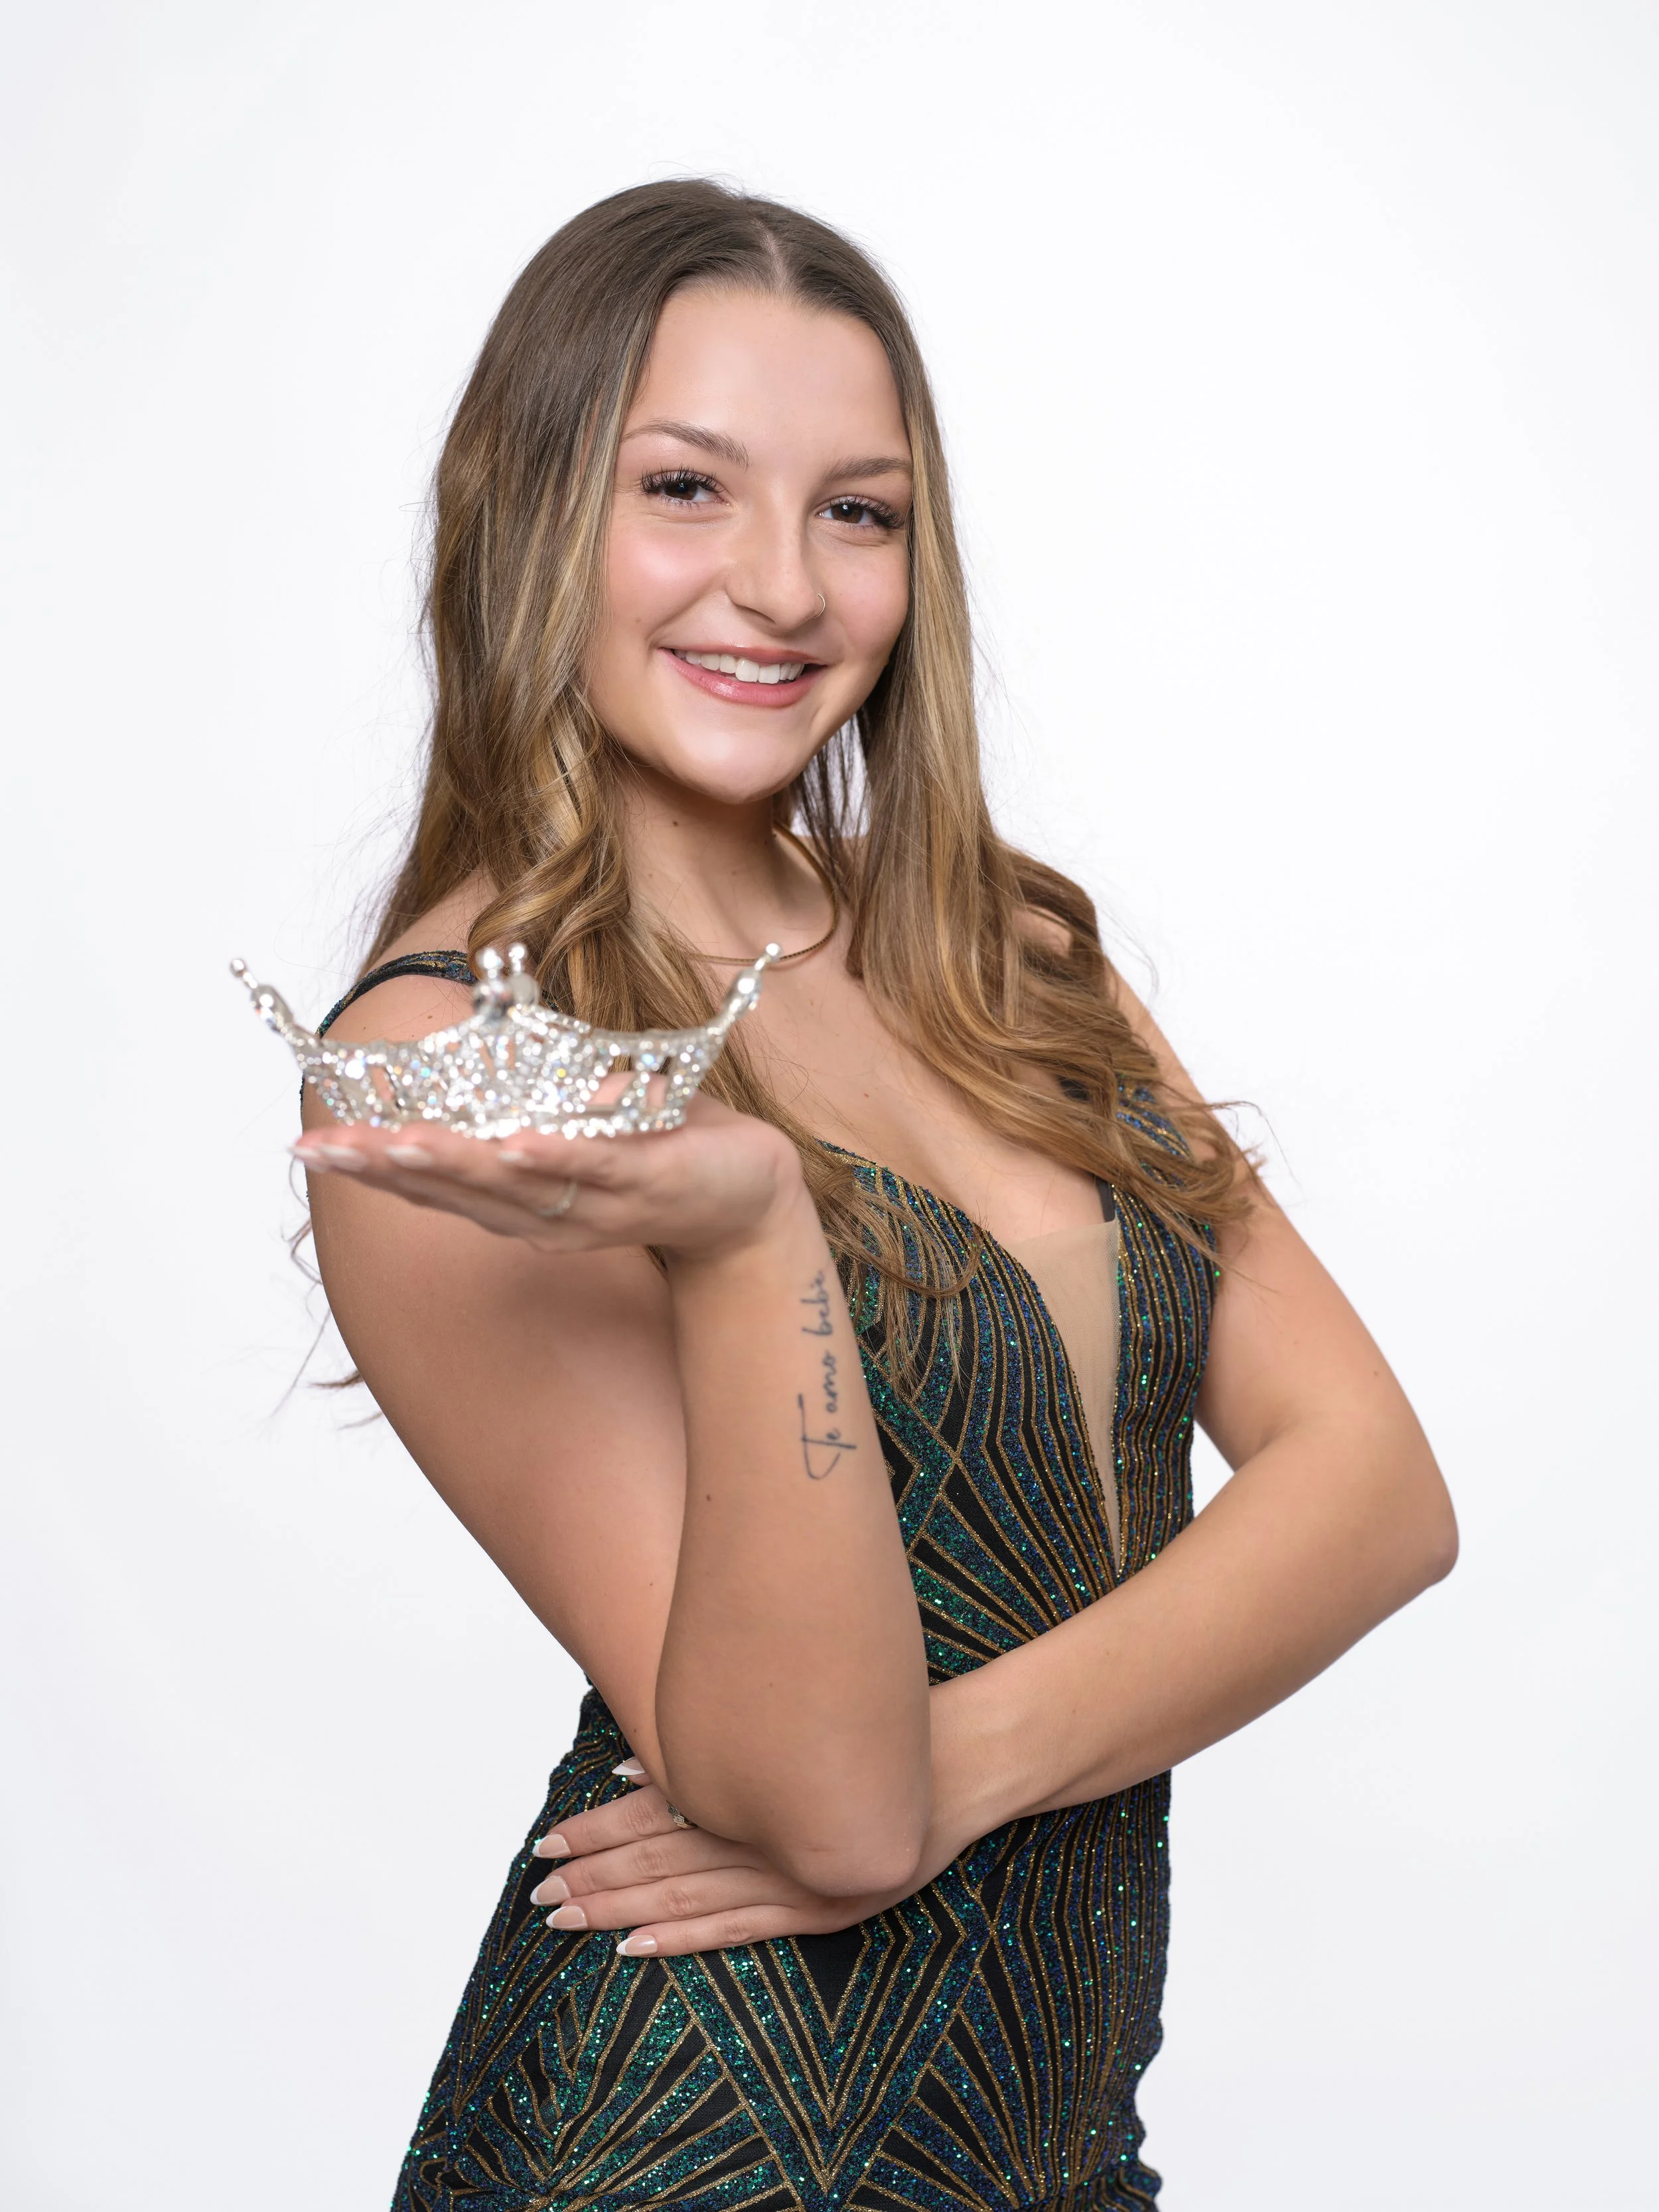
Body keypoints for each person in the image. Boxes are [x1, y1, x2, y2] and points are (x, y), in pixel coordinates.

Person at [292, 181, 1457, 2212]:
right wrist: (749, 1233)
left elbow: (1374, 1489)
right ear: (527, 511)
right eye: (684, 487)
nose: (779, 586)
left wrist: (963, 1764)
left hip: (1050, 2142)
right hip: (686, 2147)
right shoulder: (453, 1061)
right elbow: (818, 1807)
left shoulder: (1004, 956)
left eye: (858, 510)